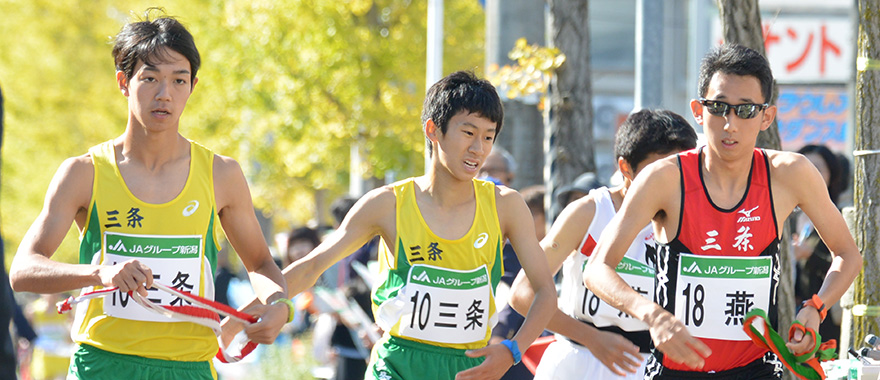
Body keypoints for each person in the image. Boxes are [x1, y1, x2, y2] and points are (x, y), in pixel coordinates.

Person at [8, 11, 290, 380]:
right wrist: (99, 272)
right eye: (150, 78)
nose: (164, 94)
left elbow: (260, 264)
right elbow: (23, 269)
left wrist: (279, 305)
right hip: (103, 364)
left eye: (179, 80)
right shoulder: (84, 172)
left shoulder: (221, 174)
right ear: (124, 82)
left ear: (193, 85)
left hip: (189, 368)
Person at [222, 70, 556, 380]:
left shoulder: (505, 206)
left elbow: (544, 292)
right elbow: (312, 267)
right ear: (433, 130)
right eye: (468, 132)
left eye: (488, 137)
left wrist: (513, 350)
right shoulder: (387, 204)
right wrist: (241, 315)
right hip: (398, 365)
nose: (478, 149)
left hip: (467, 366)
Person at [583, 44, 862, 379]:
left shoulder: (790, 174)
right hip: (675, 370)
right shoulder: (664, 179)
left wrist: (816, 307)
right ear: (698, 111)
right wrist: (651, 315)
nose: (730, 124)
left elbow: (847, 253)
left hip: (755, 369)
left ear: (766, 117)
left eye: (745, 110)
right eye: (719, 107)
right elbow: (597, 268)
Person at [509, 109, 697, 379]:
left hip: (653, 366)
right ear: (625, 168)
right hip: (579, 359)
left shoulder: (695, 221)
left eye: (680, 170)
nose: (669, 181)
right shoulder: (590, 212)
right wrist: (592, 339)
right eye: (657, 171)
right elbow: (523, 293)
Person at [792, 144, 850, 350]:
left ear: (831, 174)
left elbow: (850, 262)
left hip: (828, 314)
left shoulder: (842, 215)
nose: (810, 173)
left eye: (817, 167)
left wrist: (810, 255)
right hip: (794, 312)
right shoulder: (791, 216)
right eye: (805, 167)